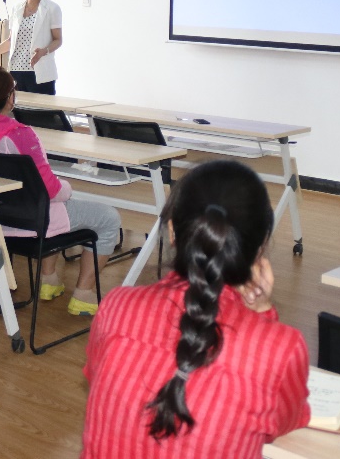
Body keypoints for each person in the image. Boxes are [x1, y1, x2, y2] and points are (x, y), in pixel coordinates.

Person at [81, 161, 309, 457]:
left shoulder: (116, 306)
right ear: (261, 246)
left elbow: (98, 378)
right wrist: (263, 312)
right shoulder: (281, 348)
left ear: (172, 231)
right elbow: (286, 421)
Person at [0, 65, 120, 315]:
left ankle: (50, 280)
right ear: (10, 98)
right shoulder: (21, 135)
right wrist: (66, 188)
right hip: (30, 220)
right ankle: (83, 295)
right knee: (109, 217)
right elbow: (51, 191)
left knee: (55, 202)